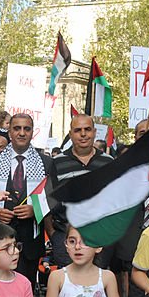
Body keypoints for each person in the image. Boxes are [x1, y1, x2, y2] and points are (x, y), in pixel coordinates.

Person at [0, 113, 47, 285]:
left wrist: (35, 209)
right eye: (17, 128)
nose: (22, 133)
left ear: (32, 133)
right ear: (9, 132)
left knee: (25, 291)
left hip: (29, 242)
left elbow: (55, 199)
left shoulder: (47, 163)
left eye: (26, 129)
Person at [46, 114, 112, 267]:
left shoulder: (108, 162)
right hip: (65, 238)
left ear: (94, 132)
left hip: (99, 239)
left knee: (97, 288)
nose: (83, 134)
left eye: (87, 129)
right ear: (70, 134)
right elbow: (46, 201)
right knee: (68, 288)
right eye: (78, 130)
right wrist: (53, 234)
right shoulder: (56, 163)